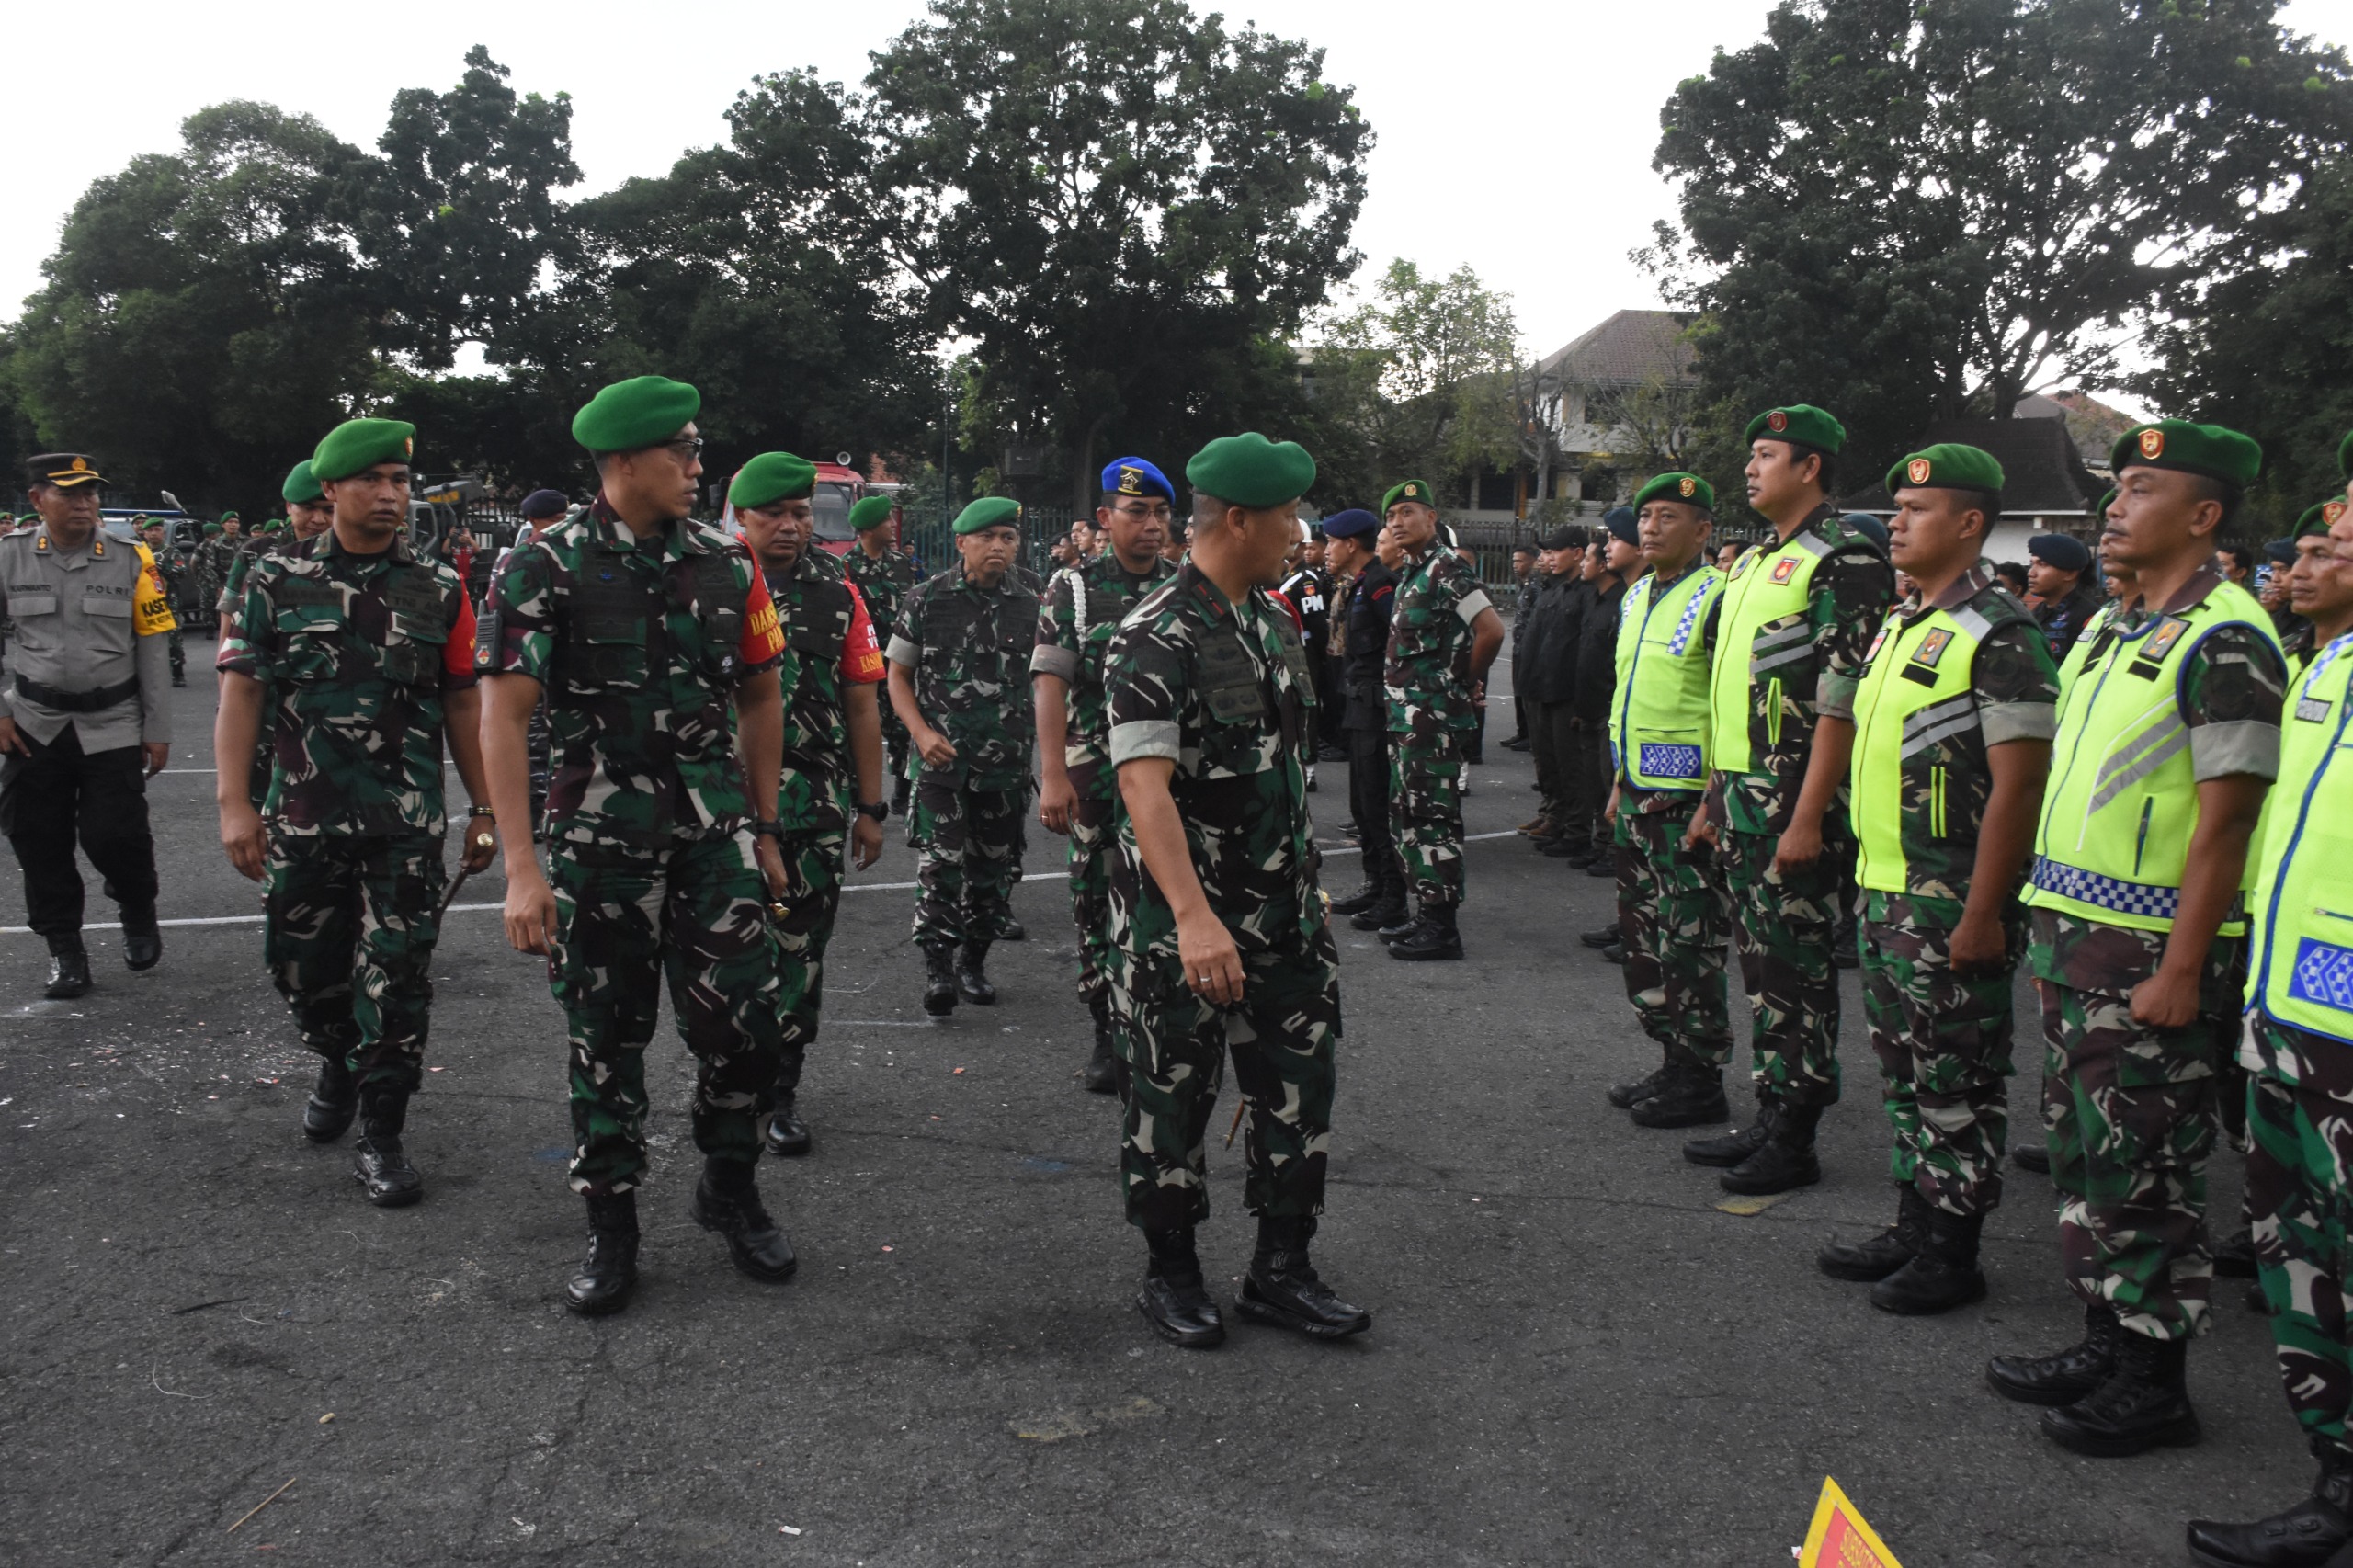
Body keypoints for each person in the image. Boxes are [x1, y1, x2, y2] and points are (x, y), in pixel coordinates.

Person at [1986, 419, 2283, 1456]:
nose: (2116, 503)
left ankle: (2154, 1378)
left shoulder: (2228, 635)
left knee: (2147, 1165)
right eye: (2117, 486)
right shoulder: (2118, 623)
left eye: (2143, 487)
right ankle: (2105, 1337)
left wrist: (2185, 968)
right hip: (2076, 933)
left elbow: (2228, 818)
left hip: (2149, 950)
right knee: (2085, 1150)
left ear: (2203, 516)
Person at [481, 375, 797, 1316]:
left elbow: (761, 693)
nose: (699, 469)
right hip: (596, 838)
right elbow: (505, 714)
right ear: (623, 462)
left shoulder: (729, 563)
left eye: (697, 451)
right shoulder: (546, 565)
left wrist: (767, 827)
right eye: (683, 453)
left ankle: (728, 1187)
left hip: (714, 832)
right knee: (605, 1037)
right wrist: (522, 868)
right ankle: (610, 1223)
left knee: (745, 1023)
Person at [1103, 431, 1369, 1347]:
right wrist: (1191, 918)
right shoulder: (1155, 630)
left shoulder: (1268, 619)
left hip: (1283, 910)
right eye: (1290, 514)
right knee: (1171, 1093)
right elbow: (1143, 786)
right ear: (1243, 518)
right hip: (1193, 918)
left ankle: (1280, 1267)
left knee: (1300, 1087)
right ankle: (1169, 1269)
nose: (1301, 531)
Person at [213, 418, 494, 1205]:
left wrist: (484, 809)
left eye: (400, 481)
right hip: (301, 818)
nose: (389, 494)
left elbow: (463, 706)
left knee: (400, 979)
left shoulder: (438, 587)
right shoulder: (272, 579)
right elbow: (241, 698)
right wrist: (235, 804)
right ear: (329, 489)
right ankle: (336, 1056)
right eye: (371, 480)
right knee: (302, 971)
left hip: (404, 826)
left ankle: (382, 1131)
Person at [1816, 445, 2058, 1314]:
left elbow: (2021, 783)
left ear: (1969, 524)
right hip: (1888, 889)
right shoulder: (1903, 621)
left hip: (1948, 896)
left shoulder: (1999, 631)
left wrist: (1985, 911)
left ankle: (1955, 1248)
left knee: (1957, 1079)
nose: (1897, 524)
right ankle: (1915, 1221)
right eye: (1895, 511)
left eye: (1918, 512)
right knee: (1906, 1072)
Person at [2184, 489, 2353, 1568]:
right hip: (2292, 1014)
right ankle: (2337, 1483)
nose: (2326, 544)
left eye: (2345, 530)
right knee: (2308, 1264)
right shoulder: (2328, 663)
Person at [1683, 404, 1893, 1195]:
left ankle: (1796, 1132)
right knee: (1763, 965)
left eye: (1766, 455)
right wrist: (1712, 796)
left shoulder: (1845, 557)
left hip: (1793, 803)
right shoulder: (1757, 561)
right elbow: (1732, 697)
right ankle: (1771, 1113)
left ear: (1809, 468)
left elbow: (1842, 699)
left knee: (1798, 967)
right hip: (1743, 796)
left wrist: (1808, 815)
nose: (1750, 468)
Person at [732, 453, 889, 1159]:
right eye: (776, 514)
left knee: (803, 952)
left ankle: (782, 1090)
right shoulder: (711, 581)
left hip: (814, 801)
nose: (792, 526)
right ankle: (732, 1082)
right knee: (731, 952)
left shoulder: (839, 591)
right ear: (741, 518)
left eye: (801, 513)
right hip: (726, 809)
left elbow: (863, 702)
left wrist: (871, 806)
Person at [0, 452, 176, 999]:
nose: (85, 503)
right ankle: (65, 951)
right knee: (38, 840)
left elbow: (152, 643)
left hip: (114, 722)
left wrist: (159, 726)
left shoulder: (131, 558)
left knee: (115, 834)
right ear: (37, 500)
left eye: (92, 493)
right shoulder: (8, 557)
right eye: (71, 494)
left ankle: (137, 906)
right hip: (34, 721)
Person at [1034, 458, 1177, 1094]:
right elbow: (1050, 681)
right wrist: (1053, 773)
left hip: (1168, 773)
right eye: (1137, 512)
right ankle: (1106, 1027)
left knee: (1166, 891)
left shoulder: (1183, 585)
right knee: (1096, 896)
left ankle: (1159, 1020)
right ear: (1105, 519)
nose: (1152, 525)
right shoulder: (1074, 589)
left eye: (1161, 513)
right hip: (1094, 772)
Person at [1601, 473, 1733, 1129]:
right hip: (1637, 795)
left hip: (1686, 807)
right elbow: (1630, 697)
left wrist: (1715, 799)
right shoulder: (1636, 595)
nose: (1650, 528)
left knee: (1690, 943)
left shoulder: (1718, 598)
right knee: (1644, 940)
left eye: (1668, 517)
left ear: (1704, 530)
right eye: (1645, 516)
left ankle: (1702, 1074)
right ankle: (1673, 1058)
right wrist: (1619, 781)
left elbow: (1727, 708)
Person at [888, 495, 1038, 1014]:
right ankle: (938, 969)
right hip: (940, 765)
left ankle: (974, 962)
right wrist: (919, 731)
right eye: (987, 537)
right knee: (941, 869)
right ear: (962, 543)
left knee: (994, 874)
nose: (999, 546)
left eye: (1008, 537)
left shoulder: (1034, 600)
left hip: (1006, 767)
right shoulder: (927, 598)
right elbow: (898, 676)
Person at [1378, 480, 1504, 960]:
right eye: (1390, 516)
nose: (1396, 522)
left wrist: (1464, 681)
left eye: (1407, 512)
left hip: (1431, 720)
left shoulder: (1448, 569)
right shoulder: (1414, 572)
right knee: (1407, 816)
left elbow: (1490, 630)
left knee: (1434, 819)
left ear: (1431, 518)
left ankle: (1443, 927)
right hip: (1406, 720)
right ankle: (1425, 911)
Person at [1324, 508, 1405, 932]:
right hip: (1358, 708)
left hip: (1377, 711)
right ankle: (1375, 883)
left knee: (1377, 805)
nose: (1326, 550)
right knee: (1361, 804)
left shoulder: (1379, 586)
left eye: (1332, 542)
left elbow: (1400, 647)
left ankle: (1394, 896)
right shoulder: (1358, 585)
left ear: (1350, 544)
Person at [1565, 511, 1639, 877]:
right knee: (1597, 785)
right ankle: (1602, 845)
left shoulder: (1626, 599)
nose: (1608, 548)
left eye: (1614, 541)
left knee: (1612, 782)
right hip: (1596, 709)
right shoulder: (1606, 600)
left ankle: (1612, 849)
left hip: (1619, 718)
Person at [845, 494, 925, 817]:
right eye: (886, 521)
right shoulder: (846, 567)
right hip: (861, 663)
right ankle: (857, 793)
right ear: (868, 528)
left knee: (903, 727)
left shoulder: (902, 565)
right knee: (858, 727)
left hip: (896, 661)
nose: (893, 526)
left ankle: (902, 793)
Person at [1518, 528, 1588, 853]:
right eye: (1545, 553)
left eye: (1555, 552)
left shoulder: (1585, 592)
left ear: (1577, 553)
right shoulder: (1551, 589)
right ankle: (1552, 813)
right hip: (1538, 686)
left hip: (1563, 690)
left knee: (1569, 764)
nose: (1547, 558)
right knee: (1546, 760)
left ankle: (1574, 827)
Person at [1278, 522, 1336, 774]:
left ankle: (1309, 766)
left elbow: (1315, 620)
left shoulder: (1307, 579)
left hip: (1304, 649)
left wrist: (1321, 654)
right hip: (1282, 649)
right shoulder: (1283, 574)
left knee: (1306, 706)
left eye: (1294, 542)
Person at [2028, 531, 2104, 661]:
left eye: (2042, 564)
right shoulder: (2038, 612)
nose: (2031, 573)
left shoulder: (2090, 617)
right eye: (2032, 564)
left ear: (2069, 574)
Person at [139, 518, 188, 687]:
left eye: (157, 530)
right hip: (145, 601)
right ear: (144, 534)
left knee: (173, 636)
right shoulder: (139, 551)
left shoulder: (171, 552)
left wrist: (159, 567)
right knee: (147, 637)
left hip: (168, 600)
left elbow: (180, 572)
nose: (154, 533)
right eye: (150, 530)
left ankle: (177, 672)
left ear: (163, 533)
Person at [1504, 544, 1539, 750]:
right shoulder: (1524, 585)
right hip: (1519, 648)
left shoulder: (1536, 586)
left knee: (1525, 692)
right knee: (1518, 691)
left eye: (1520, 561)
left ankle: (1529, 735)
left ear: (1532, 561)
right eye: (1514, 561)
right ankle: (1522, 732)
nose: (1516, 565)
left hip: (1528, 648)